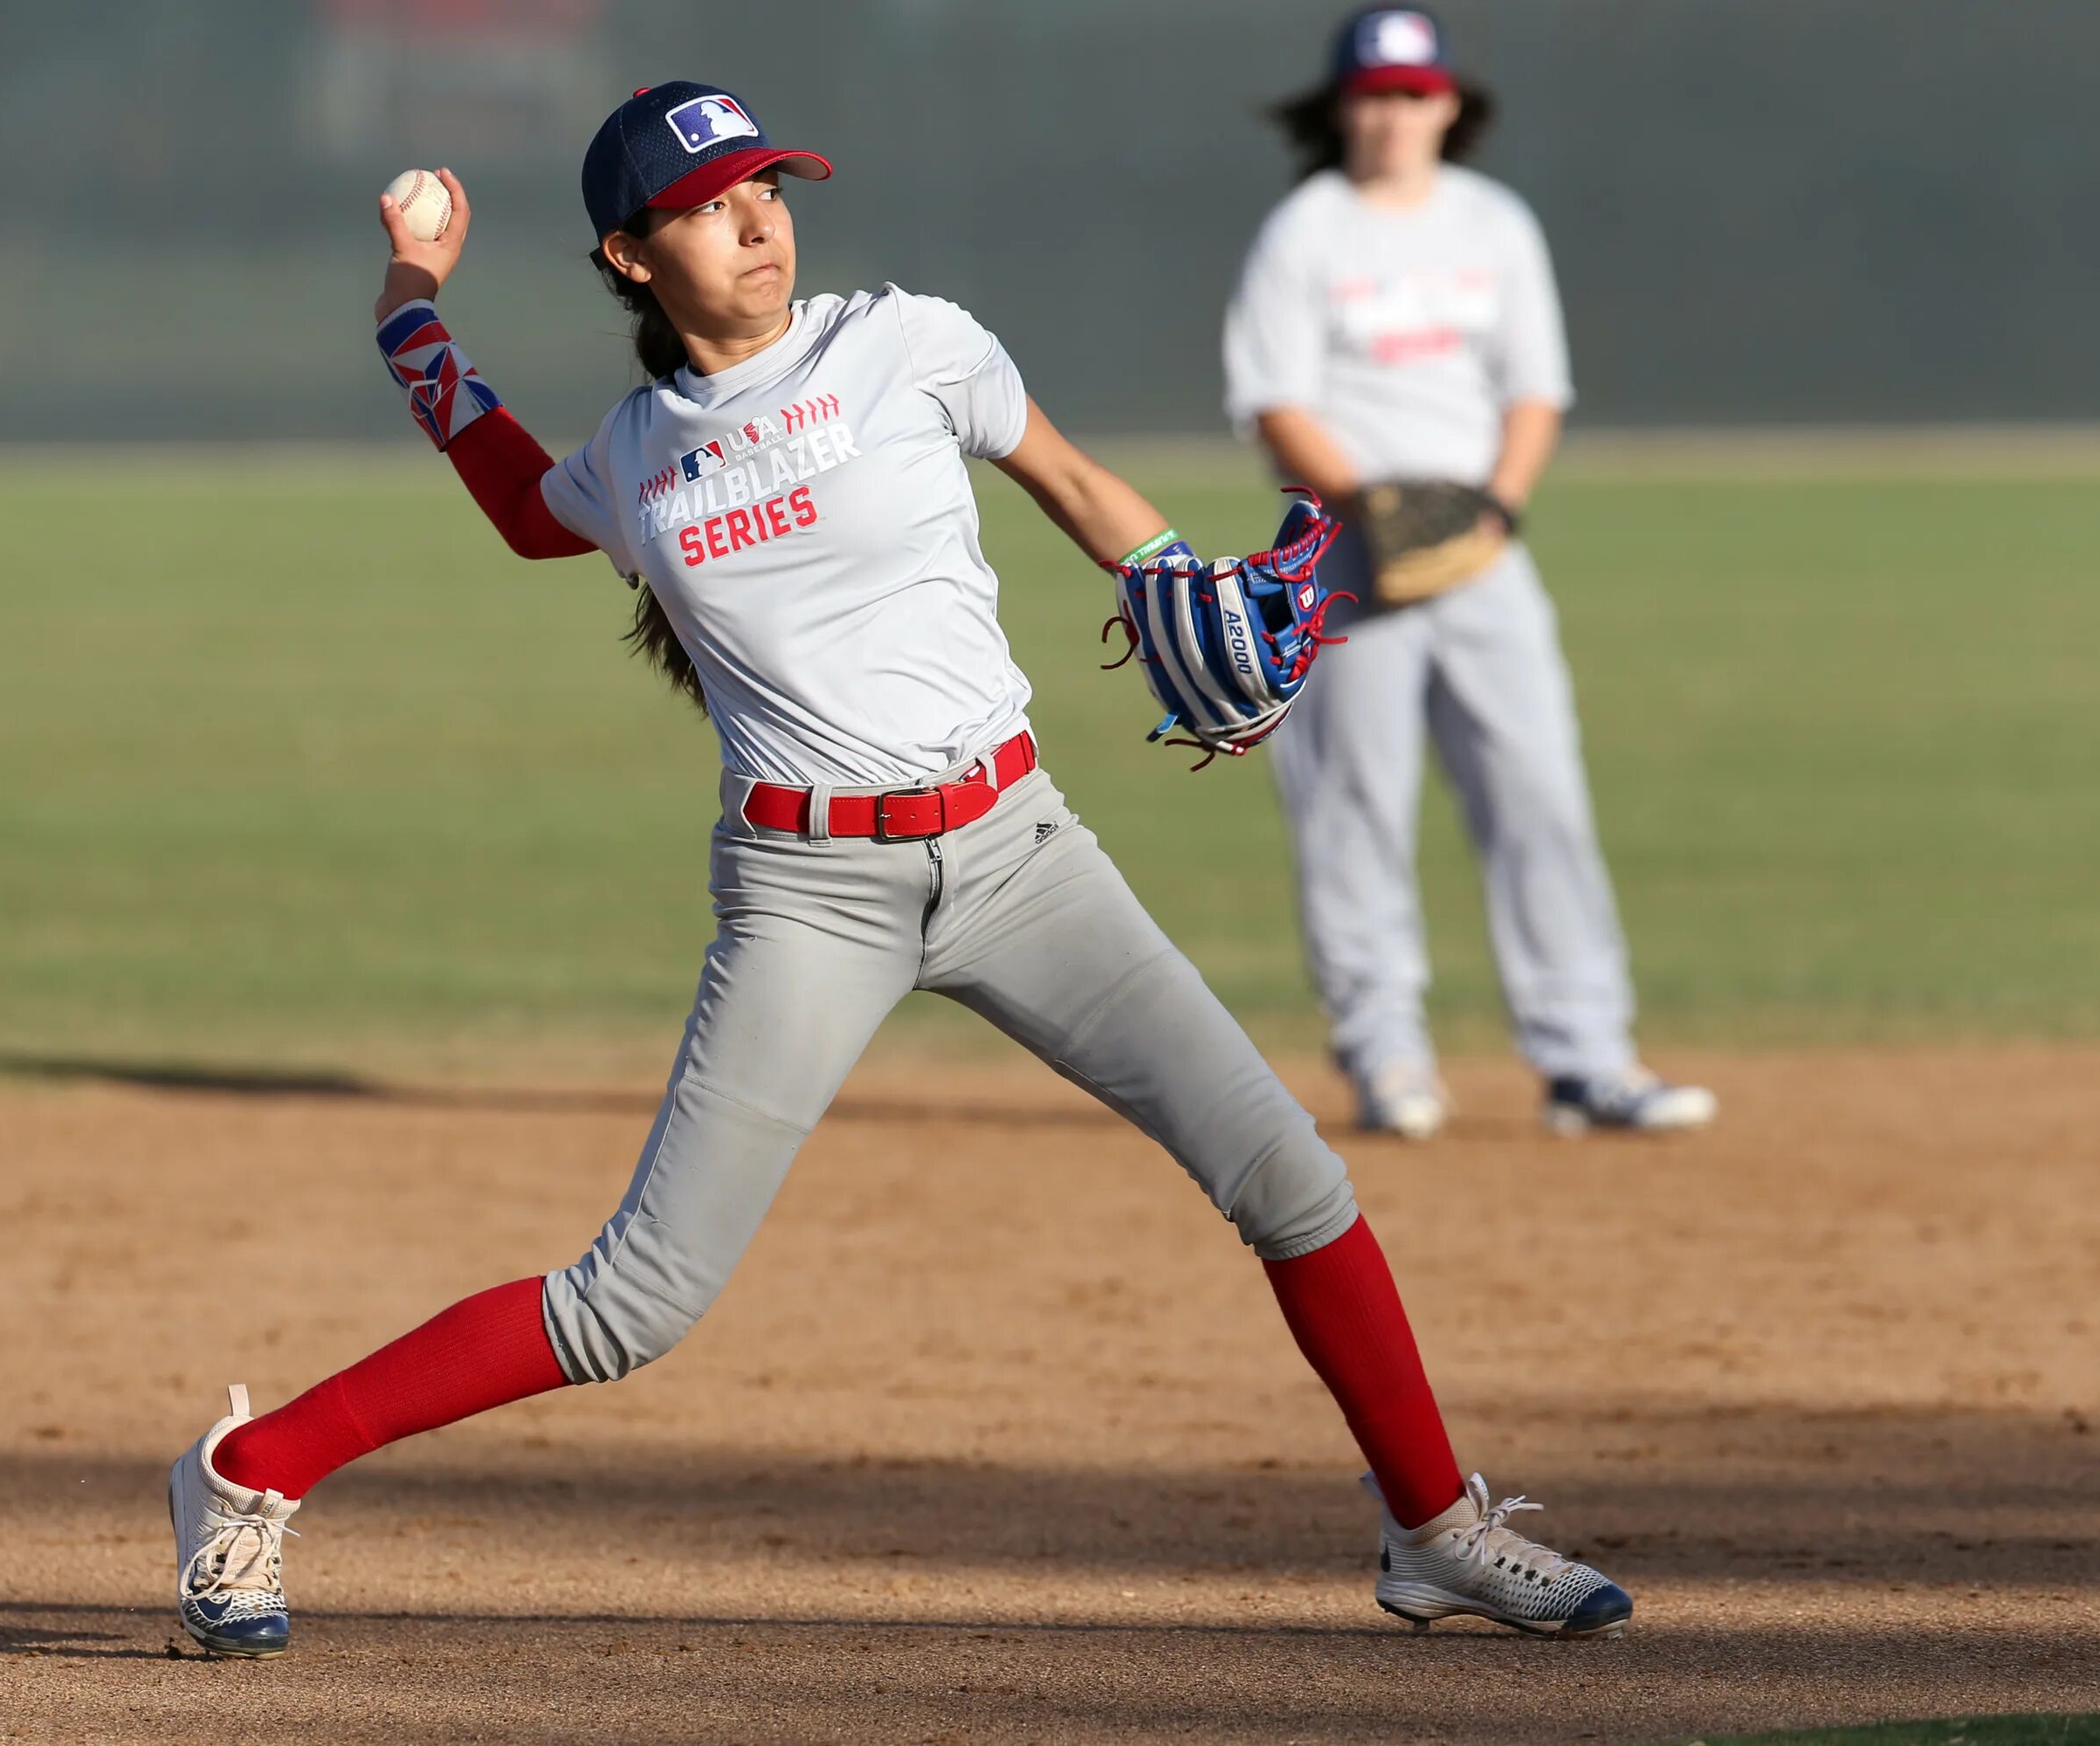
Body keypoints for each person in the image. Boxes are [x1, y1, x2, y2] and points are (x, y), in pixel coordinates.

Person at [166, 80, 1635, 1658]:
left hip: (1020, 852)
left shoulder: (911, 343)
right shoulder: (637, 459)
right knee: (631, 1306)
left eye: (769, 187)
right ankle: (248, 1473)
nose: (757, 219)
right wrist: (411, 303)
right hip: (811, 894)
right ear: (627, 253)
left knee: (1292, 1181)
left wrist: (1168, 576)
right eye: (713, 201)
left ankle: (1436, 1535)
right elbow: (528, 508)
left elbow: (1076, 485)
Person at [1222, 8, 1717, 1143]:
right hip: (1343, 555)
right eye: (1375, 94)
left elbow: (1535, 389)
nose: (1394, 115)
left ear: (1449, 104)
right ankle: (1388, 1061)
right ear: (1343, 105)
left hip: (1485, 555)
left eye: (1414, 93)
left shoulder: (1494, 224)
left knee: (1540, 792)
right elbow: (1275, 404)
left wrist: (1490, 510)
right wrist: (1379, 513)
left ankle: (1585, 1057)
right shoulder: (1308, 233)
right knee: (1352, 809)